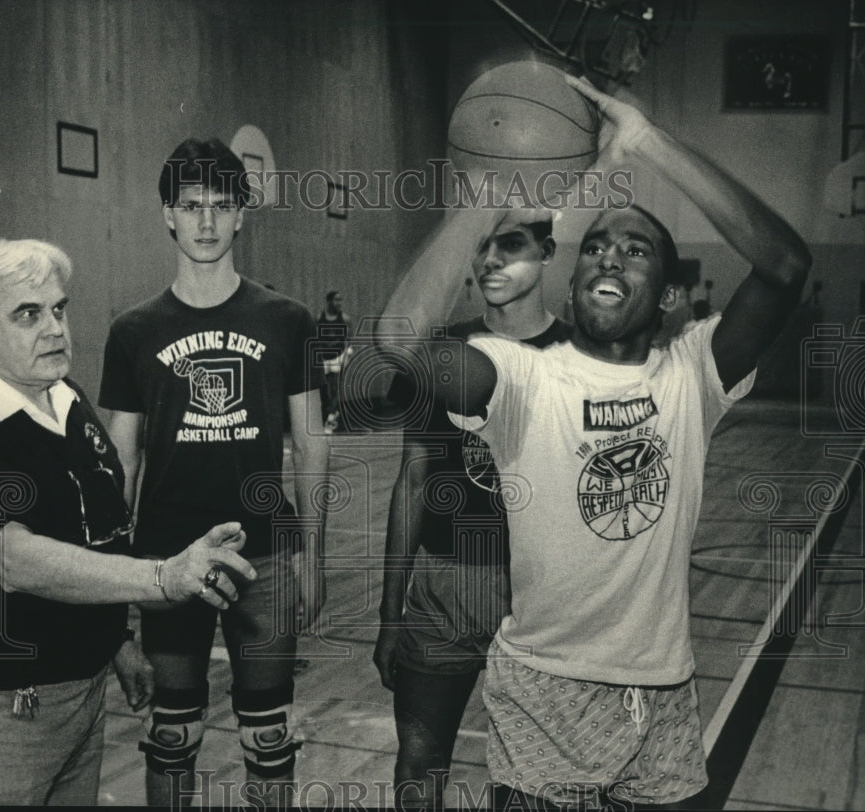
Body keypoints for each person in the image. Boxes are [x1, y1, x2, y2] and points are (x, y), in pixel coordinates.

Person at [376, 74, 811, 810]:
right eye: (598, 246)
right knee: (426, 763)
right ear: (571, 278)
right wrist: (485, 193)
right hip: (532, 670)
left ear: (671, 295)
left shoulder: (690, 376)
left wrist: (648, 142)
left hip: (660, 689)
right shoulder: (521, 375)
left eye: (636, 250)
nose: (610, 255)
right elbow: (398, 341)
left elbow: (786, 267)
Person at [0, 238, 256, 806]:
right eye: (28, 314)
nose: (54, 328)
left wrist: (115, 642)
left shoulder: (68, 402)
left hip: (80, 693)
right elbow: (15, 559)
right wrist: (163, 577)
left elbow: (93, 531)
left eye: (59, 309)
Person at [99, 138, 329, 806]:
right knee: (173, 734)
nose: (206, 222)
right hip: (168, 561)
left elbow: (312, 446)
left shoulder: (286, 320)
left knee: (269, 736)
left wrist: (312, 558)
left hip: (262, 554)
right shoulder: (133, 331)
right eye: (191, 205)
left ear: (242, 216)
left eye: (221, 206)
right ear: (167, 213)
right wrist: (119, 594)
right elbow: (121, 465)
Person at [373, 213, 571, 807]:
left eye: (511, 245)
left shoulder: (578, 356)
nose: (490, 260)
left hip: (543, 594)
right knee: (419, 761)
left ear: (547, 252)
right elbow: (413, 480)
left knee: (533, 777)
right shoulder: (441, 351)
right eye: (481, 246)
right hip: (445, 584)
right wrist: (389, 614)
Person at [316, 290, 352, 433]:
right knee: (324, 390)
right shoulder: (319, 317)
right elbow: (315, 338)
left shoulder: (344, 318)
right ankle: (331, 412)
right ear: (329, 301)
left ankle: (330, 419)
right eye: (336, 300)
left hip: (338, 356)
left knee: (335, 388)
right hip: (324, 357)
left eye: (340, 300)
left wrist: (347, 356)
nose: (339, 303)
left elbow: (348, 339)